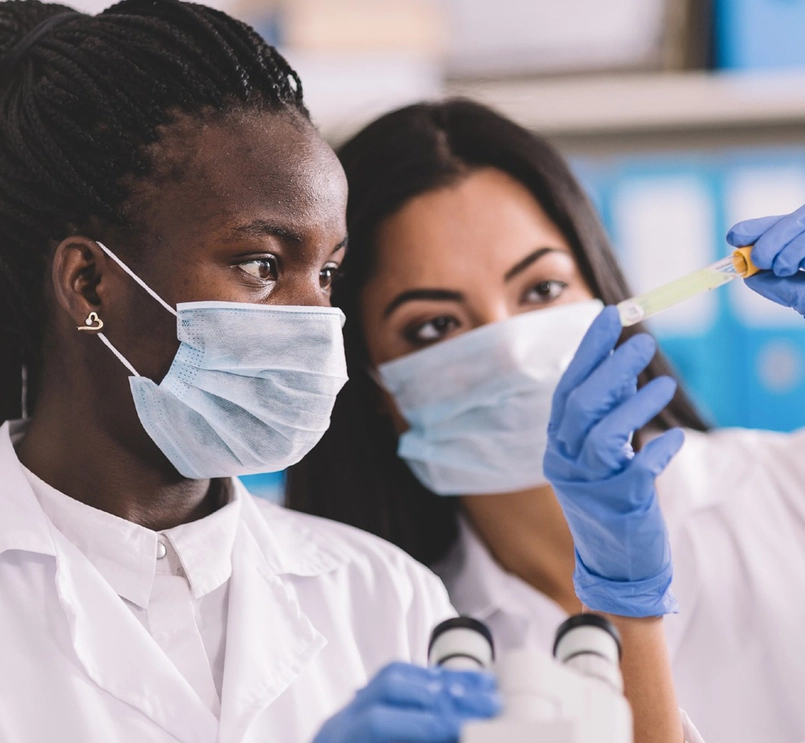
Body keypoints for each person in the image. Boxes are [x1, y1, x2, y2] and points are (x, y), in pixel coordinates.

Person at [0, 5, 505, 742]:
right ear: (90, 285)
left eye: (326, 273)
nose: (315, 319)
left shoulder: (384, 597)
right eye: (262, 265)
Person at [287, 98, 805, 743]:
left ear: (602, 290)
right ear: (368, 382)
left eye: (541, 290)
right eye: (435, 325)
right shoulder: (391, 633)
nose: (510, 351)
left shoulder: (787, 490)